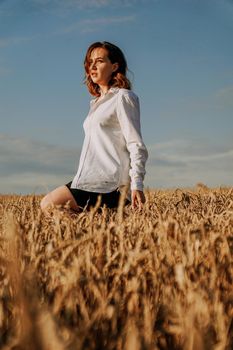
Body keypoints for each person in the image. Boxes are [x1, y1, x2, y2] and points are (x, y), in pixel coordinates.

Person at [40, 41, 148, 212]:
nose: (93, 66)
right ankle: (103, 233)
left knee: (49, 204)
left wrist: (137, 184)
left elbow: (136, 144)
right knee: (51, 207)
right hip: (89, 179)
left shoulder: (123, 97)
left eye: (99, 61)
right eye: (90, 62)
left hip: (110, 183)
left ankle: (104, 230)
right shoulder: (96, 104)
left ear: (114, 66)